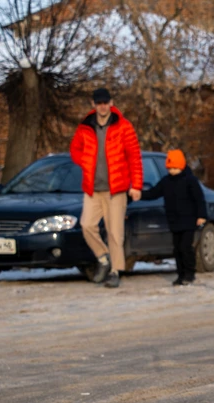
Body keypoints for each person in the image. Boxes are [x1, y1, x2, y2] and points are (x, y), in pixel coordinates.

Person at [69, 87, 143, 288]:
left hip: (116, 190)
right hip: (93, 189)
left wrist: (136, 185)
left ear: (111, 103)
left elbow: (134, 157)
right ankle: (103, 257)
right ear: (93, 105)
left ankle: (115, 271)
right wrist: (85, 161)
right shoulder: (85, 127)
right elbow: (74, 149)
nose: (102, 106)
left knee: (114, 232)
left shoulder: (123, 126)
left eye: (105, 102)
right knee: (86, 225)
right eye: (98, 103)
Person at [141, 149, 208, 286]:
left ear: (181, 166)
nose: (172, 171)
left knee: (185, 247)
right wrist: (138, 195)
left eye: (175, 168)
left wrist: (201, 215)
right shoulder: (166, 182)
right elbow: (153, 193)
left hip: (189, 220)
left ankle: (189, 274)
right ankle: (180, 275)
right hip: (174, 221)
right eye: (170, 168)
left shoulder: (190, 180)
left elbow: (199, 198)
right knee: (177, 249)